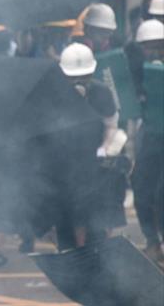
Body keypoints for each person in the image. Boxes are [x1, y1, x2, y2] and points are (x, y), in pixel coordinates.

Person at [57, 43, 124, 249]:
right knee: (68, 216)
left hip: (96, 161)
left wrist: (105, 148)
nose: (78, 81)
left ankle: (100, 252)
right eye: (72, 77)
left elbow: (111, 124)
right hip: (65, 162)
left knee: (100, 211)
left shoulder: (102, 92)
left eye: (83, 76)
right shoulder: (55, 94)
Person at [131, 19, 164, 264]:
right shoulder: (134, 68)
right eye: (147, 47)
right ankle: (152, 241)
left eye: (157, 46)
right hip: (149, 133)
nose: (153, 52)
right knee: (142, 186)